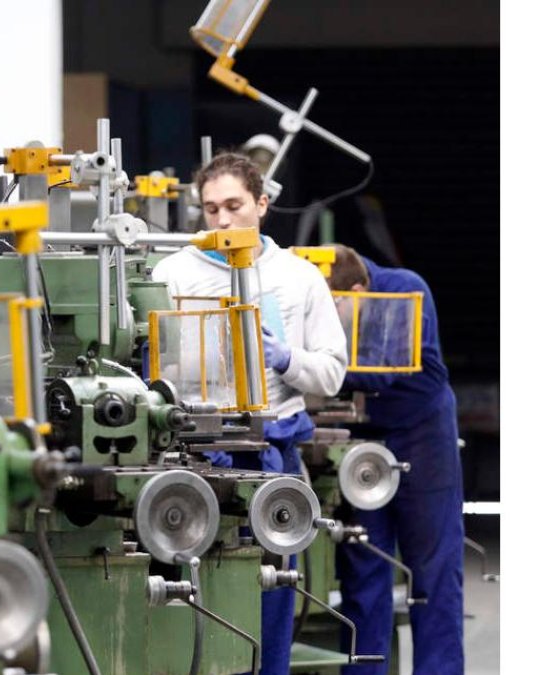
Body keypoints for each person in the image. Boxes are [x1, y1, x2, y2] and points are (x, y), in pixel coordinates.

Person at [150, 153, 347, 675]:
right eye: (210, 208)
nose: (222, 220)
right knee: (191, 597)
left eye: (234, 205)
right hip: (192, 455)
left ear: (262, 204)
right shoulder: (171, 272)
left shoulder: (298, 278)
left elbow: (331, 374)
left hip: (270, 456)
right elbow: (144, 367)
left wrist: (286, 358)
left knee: (272, 587)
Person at [326, 244, 464, 675]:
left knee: (432, 569)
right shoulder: (338, 296)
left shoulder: (403, 291)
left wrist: (306, 367)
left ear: (358, 291)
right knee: (365, 568)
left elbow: (385, 368)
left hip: (423, 435)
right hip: (363, 437)